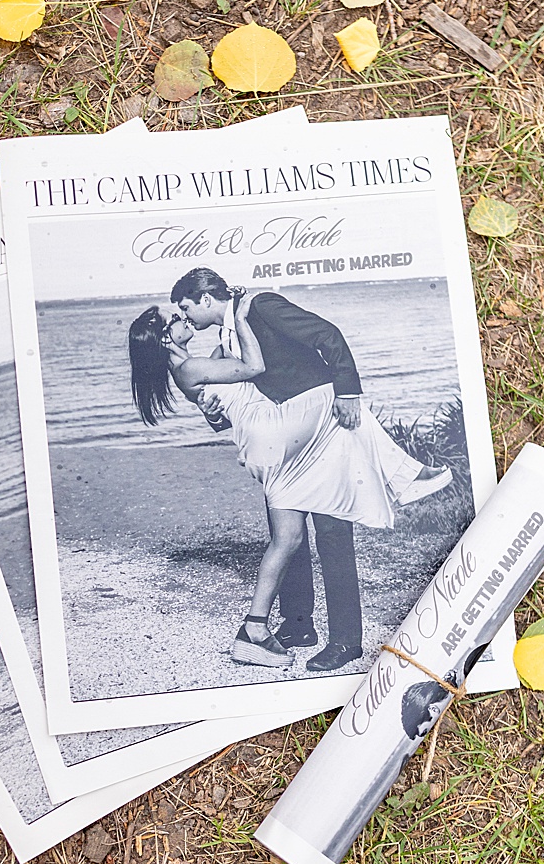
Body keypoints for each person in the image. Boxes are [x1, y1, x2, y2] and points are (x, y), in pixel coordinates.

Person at [129, 285, 449, 671]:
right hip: (280, 439)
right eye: (178, 317)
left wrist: (213, 408)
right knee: (334, 402)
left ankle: (289, 631)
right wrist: (345, 391)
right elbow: (253, 370)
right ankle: (405, 476)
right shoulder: (216, 346)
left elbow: (226, 409)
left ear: (207, 299)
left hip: (276, 443)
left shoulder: (215, 349)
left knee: (291, 538)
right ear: (166, 338)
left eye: (183, 310)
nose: (184, 318)